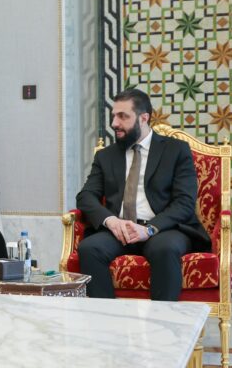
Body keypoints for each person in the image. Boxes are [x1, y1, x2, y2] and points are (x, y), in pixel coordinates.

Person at [76, 88, 211, 301]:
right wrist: (111, 221)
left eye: (123, 116)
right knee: (89, 248)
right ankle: (106, 317)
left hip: (162, 229)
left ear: (143, 118)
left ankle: (162, 321)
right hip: (119, 230)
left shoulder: (176, 150)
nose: (114, 123)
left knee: (165, 249)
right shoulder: (105, 156)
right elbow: (85, 196)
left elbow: (184, 202)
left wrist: (149, 229)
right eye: (113, 116)